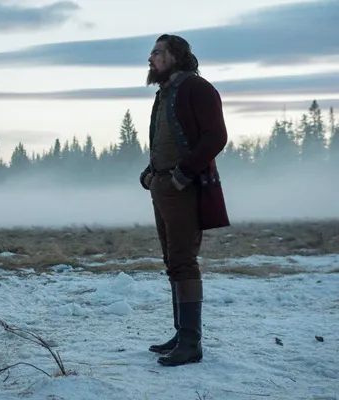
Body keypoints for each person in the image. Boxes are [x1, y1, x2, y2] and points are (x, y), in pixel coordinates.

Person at [139, 34, 230, 366]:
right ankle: (182, 334)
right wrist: (151, 173)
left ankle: (191, 343)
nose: (151, 58)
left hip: (183, 188)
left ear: (175, 56)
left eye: (157, 52)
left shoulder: (197, 88)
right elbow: (165, 140)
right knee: (173, 261)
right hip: (162, 186)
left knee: (183, 261)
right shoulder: (166, 92)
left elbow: (216, 137)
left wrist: (182, 175)